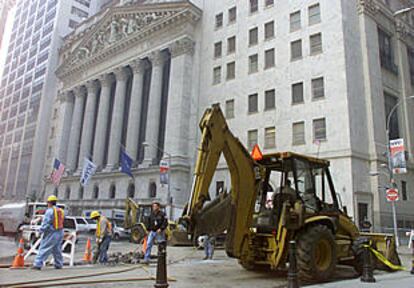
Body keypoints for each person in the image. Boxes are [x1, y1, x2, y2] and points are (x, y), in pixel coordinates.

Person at [32, 195, 64, 270]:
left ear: (49, 203)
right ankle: (59, 264)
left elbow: (46, 223)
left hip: (51, 233)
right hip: (60, 232)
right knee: (57, 249)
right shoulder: (60, 210)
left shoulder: (49, 211)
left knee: (44, 248)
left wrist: (40, 231)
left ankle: (37, 264)